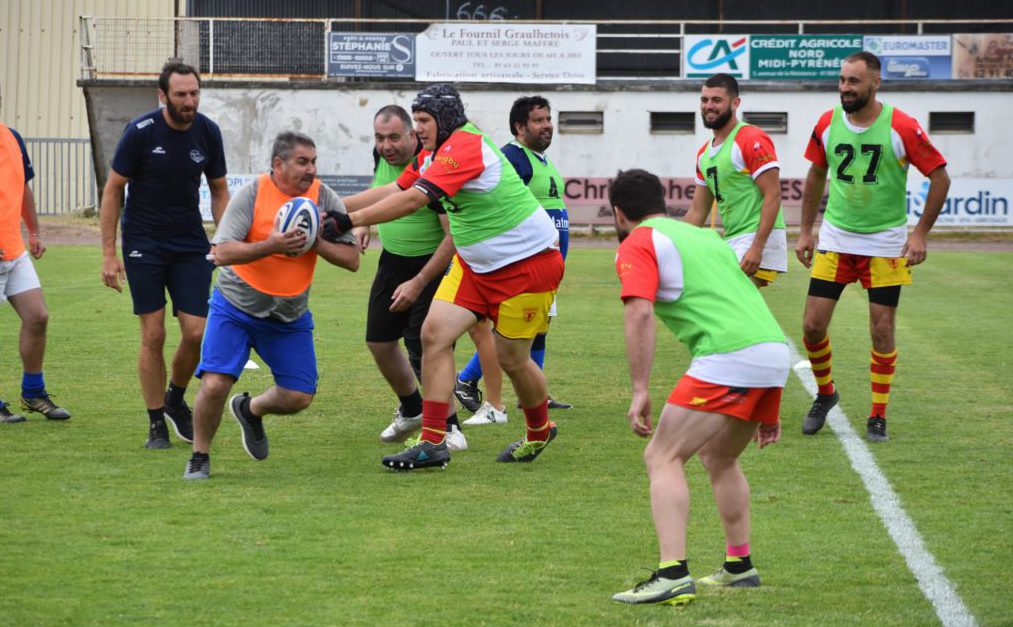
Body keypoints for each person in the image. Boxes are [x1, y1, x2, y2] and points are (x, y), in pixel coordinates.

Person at [333, 83, 564, 470]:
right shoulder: (433, 152)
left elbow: (413, 200)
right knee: (433, 334)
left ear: (445, 118)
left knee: (512, 360)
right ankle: (433, 441)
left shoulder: (465, 146)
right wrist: (326, 205)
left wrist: (347, 220)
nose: (418, 128)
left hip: (527, 265)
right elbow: (394, 187)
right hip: (475, 266)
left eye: (423, 120)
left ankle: (539, 431)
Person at [608, 169, 786, 606]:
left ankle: (672, 574)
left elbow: (639, 314)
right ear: (661, 201)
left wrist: (639, 389)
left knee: (662, 455)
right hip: (772, 351)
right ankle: (739, 567)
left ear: (618, 213)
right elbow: (744, 301)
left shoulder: (637, 242)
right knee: (719, 456)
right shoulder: (704, 236)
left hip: (730, 355)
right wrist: (769, 401)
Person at [182, 131, 359, 480]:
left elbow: (353, 259)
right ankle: (199, 455)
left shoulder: (324, 197)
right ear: (278, 164)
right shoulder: (252, 193)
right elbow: (221, 252)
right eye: (302, 161)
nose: (311, 169)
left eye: (313, 161)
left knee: (298, 396)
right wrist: (272, 244)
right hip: (235, 306)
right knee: (215, 384)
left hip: (288, 315)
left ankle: (250, 409)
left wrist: (316, 243)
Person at [796, 51, 949, 442]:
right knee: (812, 326)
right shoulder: (827, 122)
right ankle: (826, 395)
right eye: (842, 80)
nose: (845, 88)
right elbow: (815, 174)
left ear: (875, 83)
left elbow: (940, 177)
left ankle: (877, 414)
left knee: (882, 331)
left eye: (854, 81)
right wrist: (805, 230)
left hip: (885, 243)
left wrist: (919, 234)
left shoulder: (901, 125)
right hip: (836, 237)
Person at [100, 61, 230, 449]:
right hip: (144, 242)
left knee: (197, 332)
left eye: (194, 93)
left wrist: (222, 239)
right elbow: (112, 190)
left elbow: (220, 190)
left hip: (190, 243)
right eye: (181, 95)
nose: (189, 101)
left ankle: (175, 397)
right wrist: (109, 253)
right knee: (153, 334)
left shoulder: (208, 132)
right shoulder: (140, 132)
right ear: (163, 96)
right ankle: (156, 420)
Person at [457, 95, 572, 424]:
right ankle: (467, 379)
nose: (547, 125)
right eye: (539, 120)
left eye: (548, 118)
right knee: (513, 332)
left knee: (537, 330)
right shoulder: (513, 158)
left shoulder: (542, 160)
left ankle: (534, 395)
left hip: (548, 267)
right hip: (525, 265)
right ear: (520, 127)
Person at [362, 105, 465, 451]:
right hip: (392, 262)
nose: (386, 145)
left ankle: (450, 427)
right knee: (379, 341)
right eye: (379, 138)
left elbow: (452, 238)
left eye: (393, 137)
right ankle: (412, 409)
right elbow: (380, 190)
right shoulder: (379, 157)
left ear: (412, 135)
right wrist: (362, 222)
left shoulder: (432, 168)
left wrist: (420, 281)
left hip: (433, 266)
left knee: (425, 345)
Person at [0, 91, 72, 423]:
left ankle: (33, 393)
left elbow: (23, 186)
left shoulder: (11, 137)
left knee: (37, 316)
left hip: (12, 249)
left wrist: (35, 231)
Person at [683, 73, 787, 288]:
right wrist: (674, 245)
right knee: (729, 313)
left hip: (757, 238)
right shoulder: (704, 153)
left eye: (716, 100)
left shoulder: (751, 139)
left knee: (722, 304)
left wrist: (757, 247)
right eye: (704, 100)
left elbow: (773, 195)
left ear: (735, 103)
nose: (709, 106)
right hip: (733, 239)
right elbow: (697, 211)